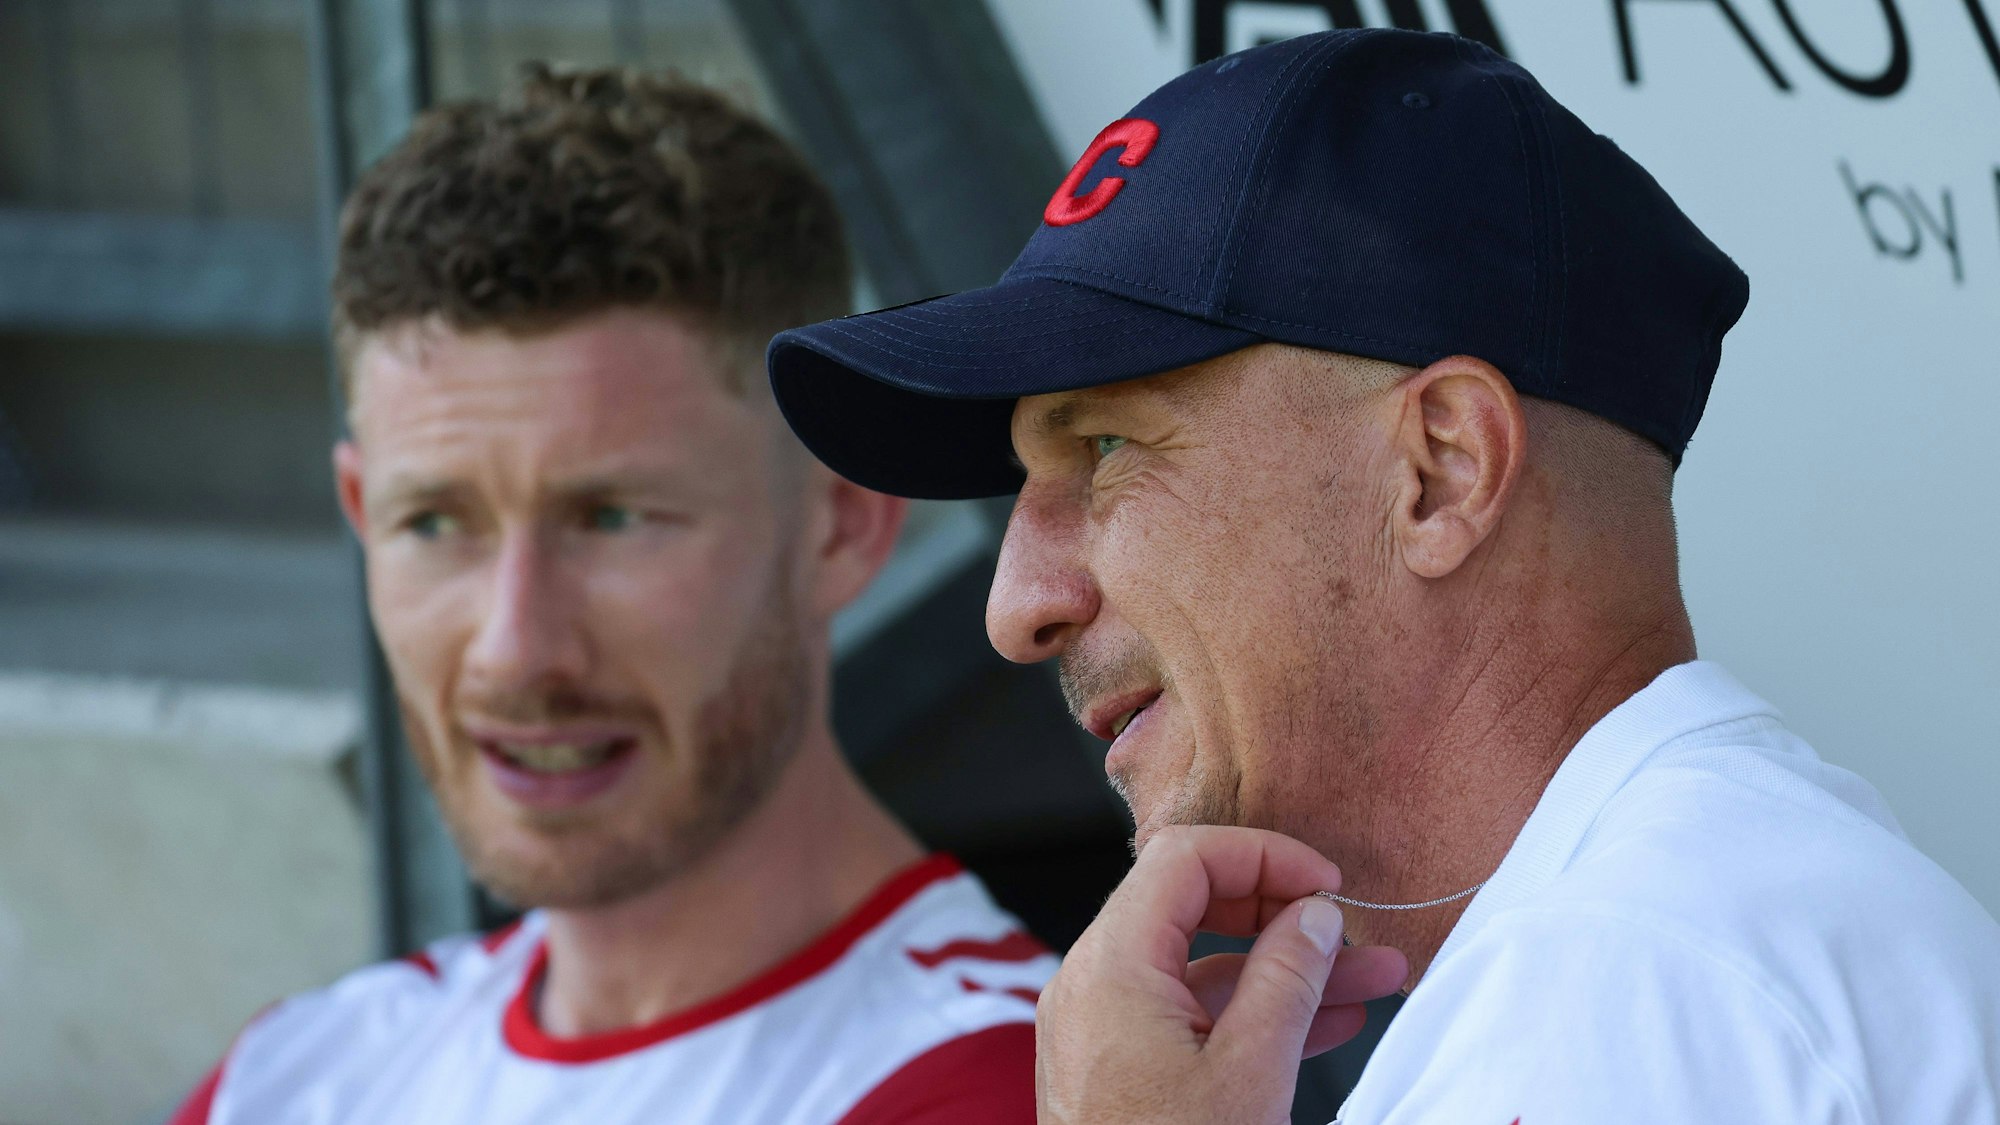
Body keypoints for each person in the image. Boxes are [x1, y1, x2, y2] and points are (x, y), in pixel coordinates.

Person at [764, 28, 2000, 1124]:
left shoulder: (1640, 976)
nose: (1015, 607)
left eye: (1102, 448)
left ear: (1440, 471)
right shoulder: (1665, 939)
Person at [167, 65, 1051, 1125]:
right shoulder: (294, 1073)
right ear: (360, 513)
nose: (513, 649)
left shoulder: (1006, 1087)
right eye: (435, 523)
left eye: (613, 517)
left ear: (842, 523)